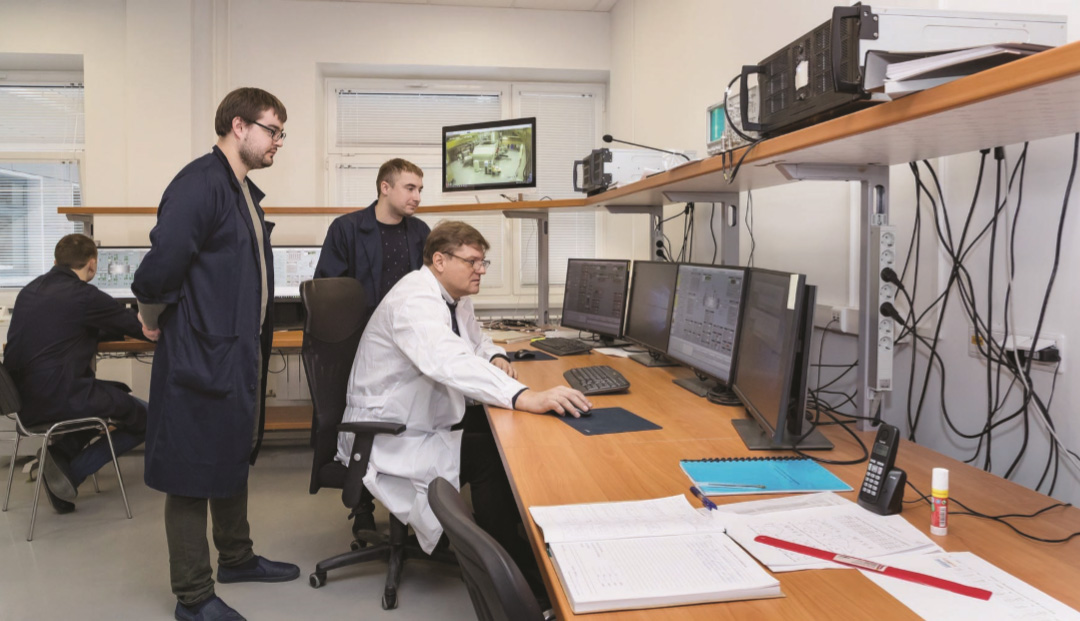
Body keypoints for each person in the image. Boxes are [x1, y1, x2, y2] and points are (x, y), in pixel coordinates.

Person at [336, 220, 591, 598]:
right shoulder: (414, 301)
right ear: (439, 260)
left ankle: (527, 540)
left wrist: (496, 355)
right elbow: (447, 360)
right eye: (472, 261)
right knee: (491, 455)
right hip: (385, 433)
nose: (480, 270)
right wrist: (523, 395)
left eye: (483, 262)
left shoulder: (452, 297)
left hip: (415, 417)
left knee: (503, 431)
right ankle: (512, 572)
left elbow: (474, 340)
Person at [132, 87, 298, 621]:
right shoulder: (200, 183)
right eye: (272, 130)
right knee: (189, 472)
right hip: (199, 355)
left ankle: (237, 558)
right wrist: (151, 317)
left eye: (281, 133)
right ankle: (193, 597)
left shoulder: (240, 188)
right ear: (238, 126)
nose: (278, 142)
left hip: (233, 352)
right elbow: (160, 268)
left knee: (230, 454)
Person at [2, 234, 149, 514]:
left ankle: (58, 455)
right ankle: (70, 474)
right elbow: (141, 329)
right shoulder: (84, 296)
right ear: (92, 264)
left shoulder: (29, 291)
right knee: (148, 419)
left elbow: (65, 327)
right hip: (59, 399)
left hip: (24, 404)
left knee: (115, 396)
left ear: (55, 261)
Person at [314, 158, 431, 310]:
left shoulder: (421, 231)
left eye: (419, 190)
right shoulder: (345, 229)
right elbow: (326, 291)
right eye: (410, 188)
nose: (417, 198)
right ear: (385, 188)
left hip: (409, 321)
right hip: (360, 323)